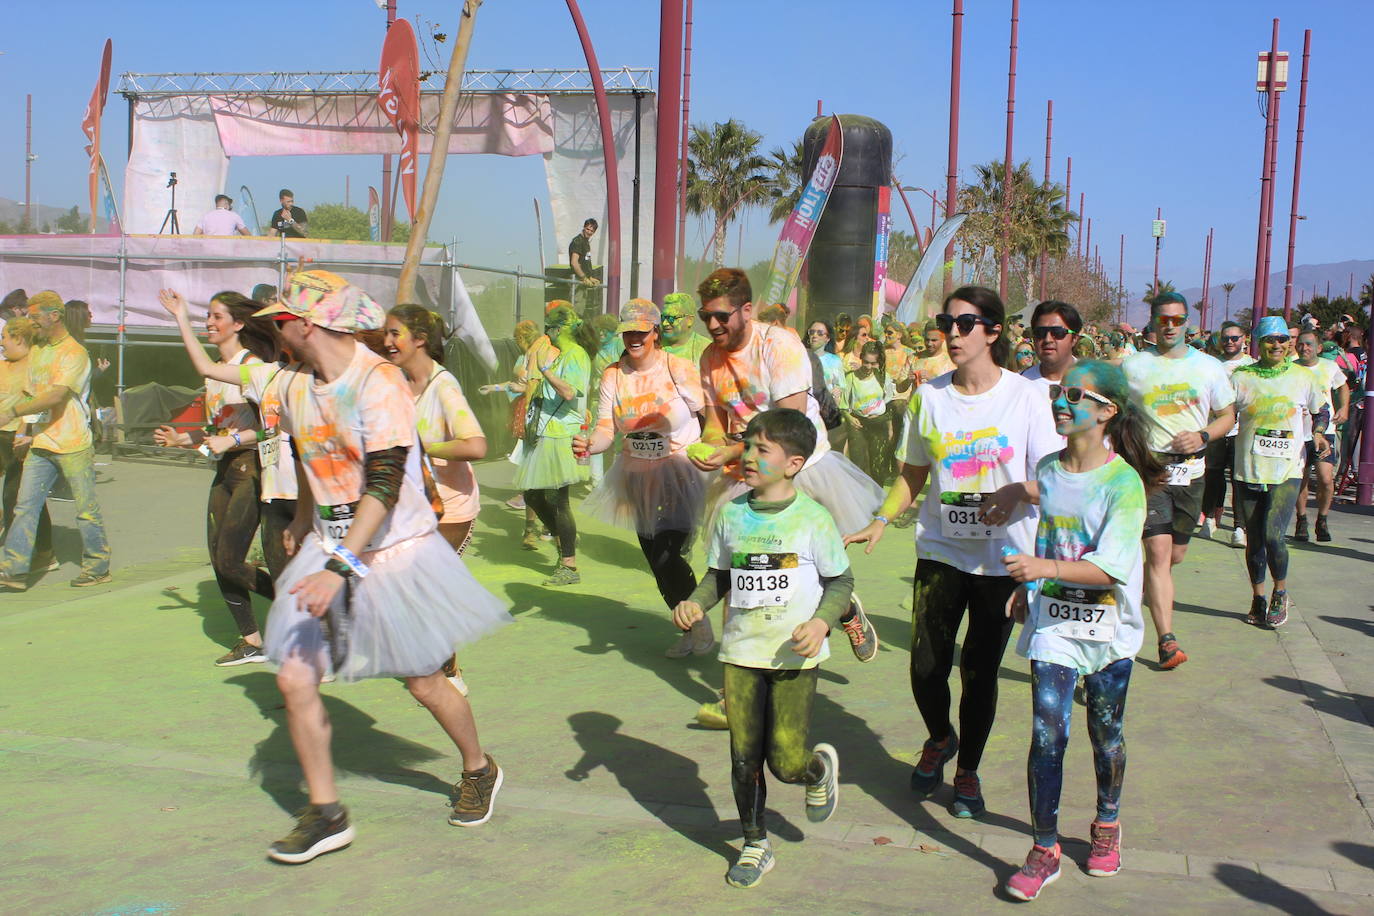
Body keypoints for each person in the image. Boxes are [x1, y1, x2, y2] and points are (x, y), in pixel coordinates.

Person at [250, 270, 511, 863]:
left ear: (305, 323)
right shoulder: (294, 383)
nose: (273, 329)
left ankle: (478, 767)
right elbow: (312, 453)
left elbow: (386, 482)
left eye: (278, 319)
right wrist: (302, 518)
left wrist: (339, 563)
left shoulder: (379, 383)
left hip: (392, 550)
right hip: (329, 548)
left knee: (422, 679)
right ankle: (326, 813)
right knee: (294, 678)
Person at [846, 285, 1060, 818]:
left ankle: (968, 772)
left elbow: (1055, 477)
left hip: (1004, 559)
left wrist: (1017, 493)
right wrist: (880, 518)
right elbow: (913, 473)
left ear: (993, 331)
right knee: (925, 666)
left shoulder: (1026, 396)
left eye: (965, 324)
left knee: (980, 673)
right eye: (947, 323)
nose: (953, 333)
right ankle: (941, 738)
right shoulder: (930, 396)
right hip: (941, 551)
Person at [1001, 361, 1161, 901]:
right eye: (1057, 393)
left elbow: (1109, 569)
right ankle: (1044, 848)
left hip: (1111, 630)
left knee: (1105, 733)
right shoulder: (1048, 470)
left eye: (1074, 394)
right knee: (1048, 733)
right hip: (1055, 627)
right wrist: (1029, 590)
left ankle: (1107, 823)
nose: (1061, 403)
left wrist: (1043, 571)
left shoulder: (1125, 484)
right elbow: (1051, 541)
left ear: (1107, 411)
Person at [672, 408, 848, 889]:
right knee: (743, 757)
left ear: (792, 464)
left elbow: (840, 582)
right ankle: (755, 842)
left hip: (794, 658)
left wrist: (820, 622)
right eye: (746, 445)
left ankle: (815, 770)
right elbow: (720, 576)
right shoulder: (730, 514)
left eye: (760, 449)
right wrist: (695, 603)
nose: (747, 456)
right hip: (741, 654)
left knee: (785, 761)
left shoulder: (813, 519)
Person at [688, 267, 881, 663]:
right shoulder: (709, 357)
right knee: (748, 574)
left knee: (814, 568)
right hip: (744, 474)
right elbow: (713, 424)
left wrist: (728, 452)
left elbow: (786, 428)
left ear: (747, 309)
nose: (711, 324)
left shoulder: (779, 344)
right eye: (705, 315)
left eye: (721, 316)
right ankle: (738, 676)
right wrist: (709, 447)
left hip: (802, 466)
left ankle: (842, 608)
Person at [576, 299, 711, 657]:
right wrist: (591, 444)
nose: (634, 338)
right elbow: (607, 426)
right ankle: (688, 625)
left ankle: (698, 623)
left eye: (641, 331)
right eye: (628, 331)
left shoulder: (677, 367)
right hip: (636, 473)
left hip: (680, 472)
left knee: (667, 554)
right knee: (655, 558)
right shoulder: (612, 374)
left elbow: (708, 415)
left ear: (655, 332)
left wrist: (715, 452)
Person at [155, 290, 279, 665]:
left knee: (230, 560)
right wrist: (185, 439)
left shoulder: (254, 367)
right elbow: (216, 430)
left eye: (217, 317)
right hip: (224, 471)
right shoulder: (215, 375)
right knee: (218, 558)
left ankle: (303, 606)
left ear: (238, 324)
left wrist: (180, 315)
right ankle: (252, 640)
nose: (209, 322)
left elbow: (271, 428)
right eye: (206, 316)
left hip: (251, 469)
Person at [1121, 292, 1235, 669]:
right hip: (1149, 468)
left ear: (1188, 322)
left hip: (1191, 470)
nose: (1170, 326)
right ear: (1152, 322)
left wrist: (1202, 436)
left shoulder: (1209, 367)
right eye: (1163, 319)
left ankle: (1139, 593)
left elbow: (1227, 416)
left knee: (1174, 555)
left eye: (1177, 320)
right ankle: (1166, 641)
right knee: (1156, 552)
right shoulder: (1134, 366)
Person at [0, 291, 111, 590]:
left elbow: (56, 395)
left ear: (54, 316)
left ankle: (98, 566)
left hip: (73, 443)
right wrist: (23, 432)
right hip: (41, 443)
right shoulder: (38, 350)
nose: (31, 322)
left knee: (85, 511)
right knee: (24, 507)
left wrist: (12, 412)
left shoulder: (74, 352)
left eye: (35, 317)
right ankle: (14, 570)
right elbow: (30, 394)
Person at [1231, 316, 1329, 629]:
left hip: (1288, 468)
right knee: (1255, 540)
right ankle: (1258, 598)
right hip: (1248, 468)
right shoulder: (1241, 376)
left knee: (1275, 535)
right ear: (1258, 343)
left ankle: (1280, 592)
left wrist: (1320, 431)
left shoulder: (1302, 375)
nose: (1277, 345)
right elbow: (1221, 412)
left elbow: (1321, 410)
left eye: (1282, 339)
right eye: (1270, 339)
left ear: (1289, 342)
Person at [516, 303, 593, 585]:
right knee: (533, 496)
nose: (547, 333)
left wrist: (545, 371)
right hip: (547, 434)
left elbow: (570, 391)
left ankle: (569, 565)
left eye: (549, 327)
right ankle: (563, 540)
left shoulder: (576, 355)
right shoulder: (562, 355)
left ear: (558, 329)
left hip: (563, 437)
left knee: (558, 501)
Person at [0, 316, 54, 567]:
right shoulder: (4, 365)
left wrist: (23, 433)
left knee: (20, 497)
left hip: (19, 439)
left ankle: (42, 553)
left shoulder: (35, 366)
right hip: (2, 435)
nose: (2, 343)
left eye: (4, 338)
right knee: (14, 497)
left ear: (19, 339)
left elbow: (37, 405)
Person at [1199, 321, 1254, 547]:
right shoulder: (1212, 365)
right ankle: (1210, 518)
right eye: (1226, 338)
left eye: (1235, 338)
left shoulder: (1252, 366)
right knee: (1213, 474)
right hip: (1216, 428)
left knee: (1239, 478)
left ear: (1244, 340)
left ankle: (1240, 527)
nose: (1230, 342)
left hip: (1241, 430)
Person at [1293, 328, 1347, 543]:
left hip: (1325, 432)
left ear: (1319, 348)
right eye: (1300, 344)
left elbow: (1343, 386)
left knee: (1325, 479)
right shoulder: (1291, 367)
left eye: (1309, 344)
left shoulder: (1329, 367)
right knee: (1301, 479)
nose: (1304, 348)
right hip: (1299, 432)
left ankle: (1322, 519)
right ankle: (1301, 519)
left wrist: (1343, 408)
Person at [842, 340, 896, 482]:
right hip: (858, 424)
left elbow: (888, 403)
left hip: (879, 424)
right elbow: (843, 404)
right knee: (858, 465)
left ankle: (878, 500)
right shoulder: (851, 377)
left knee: (878, 467)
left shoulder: (883, 377)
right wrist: (849, 418)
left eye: (873, 363)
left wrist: (890, 428)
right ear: (861, 358)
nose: (868, 367)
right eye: (866, 362)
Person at [806, 319, 847, 454]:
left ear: (827, 338)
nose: (814, 335)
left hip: (826, 413)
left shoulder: (834, 361)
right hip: (806, 412)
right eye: (812, 332)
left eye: (819, 333)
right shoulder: (801, 356)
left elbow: (839, 388)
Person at [1022, 301, 1082, 390]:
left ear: (1074, 339)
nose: (1047, 339)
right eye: (1040, 332)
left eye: (1057, 332)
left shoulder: (1095, 382)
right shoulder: (1020, 383)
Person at [660, 292, 710, 364]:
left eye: (671, 318)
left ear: (689, 320)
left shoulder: (706, 350)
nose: (665, 323)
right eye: (663, 317)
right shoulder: (653, 344)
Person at [911, 318, 954, 385]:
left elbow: (953, 389)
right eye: (927, 339)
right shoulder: (913, 358)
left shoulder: (951, 362)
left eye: (934, 340)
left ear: (943, 339)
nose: (929, 344)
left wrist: (933, 378)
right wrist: (907, 380)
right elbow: (899, 388)